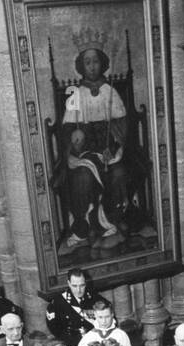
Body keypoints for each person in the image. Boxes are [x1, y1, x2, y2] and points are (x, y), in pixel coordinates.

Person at [54, 45, 134, 249]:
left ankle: (112, 221)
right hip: (85, 154)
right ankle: (83, 227)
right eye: (87, 63)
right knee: (82, 176)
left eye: (95, 62)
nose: (92, 67)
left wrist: (114, 147)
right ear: (81, 67)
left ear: (102, 65)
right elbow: (68, 129)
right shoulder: (76, 94)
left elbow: (122, 126)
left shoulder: (110, 91)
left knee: (118, 174)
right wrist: (75, 136)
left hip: (109, 152)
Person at [46, 268, 106, 346]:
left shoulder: (93, 297)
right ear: (69, 283)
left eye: (82, 285)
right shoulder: (58, 302)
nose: (79, 290)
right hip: (71, 344)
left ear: (85, 283)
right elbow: (54, 328)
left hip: (94, 342)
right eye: (74, 286)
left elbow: (108, 313)